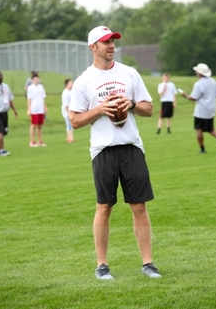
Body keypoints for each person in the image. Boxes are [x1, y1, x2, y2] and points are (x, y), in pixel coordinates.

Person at [69, 25, 161, 280]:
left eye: (113, 41)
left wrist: (130, 104)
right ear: (93, 47)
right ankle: (102, 265)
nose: (111, 46)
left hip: (131, 147)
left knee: (139, 206)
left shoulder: (130, 74)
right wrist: (100, 109)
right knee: (104, 207)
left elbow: (149, 108)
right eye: (105, 42)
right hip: (103, 150)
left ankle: (148, 264)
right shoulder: (84, 81)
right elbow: (75, 121)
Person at [180, 63, 216, 154]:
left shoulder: (198, 84)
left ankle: (202, 149)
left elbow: (193, 98)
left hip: (201, 110)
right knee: (210, 128)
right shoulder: (214, 82)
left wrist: (185, 95)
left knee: (199, 129)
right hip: (211, 109)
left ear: (200, 73)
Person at [0, 70, 18, 156]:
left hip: (4, 113)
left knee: (4, 132)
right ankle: (1, 150)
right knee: (0, 132)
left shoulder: (5, 86)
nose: (0, 77)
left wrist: (14, 109)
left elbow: (10, 99)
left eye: (1, 75)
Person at [26, 73, 47, 147]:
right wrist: (29, 109)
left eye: (37, 79)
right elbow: (29, 99)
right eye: (35, 79)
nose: (36, 80)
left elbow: (43, 97)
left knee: (40, 125)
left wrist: (45, 107)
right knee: (33, 125)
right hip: (34, 109)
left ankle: (40, 140)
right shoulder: (30, 88)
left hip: (40, 108)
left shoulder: (41, 87)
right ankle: (32, 141)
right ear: (32, 80)